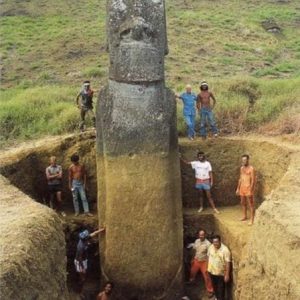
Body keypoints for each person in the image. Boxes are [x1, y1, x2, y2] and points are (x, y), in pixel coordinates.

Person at [187, 229, 214, 298]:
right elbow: (195, 250)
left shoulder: (208, 244)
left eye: (202, 235)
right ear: (198, 235)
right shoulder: (197, 241)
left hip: (204, 262)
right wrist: (193, 258)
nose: (201, 236)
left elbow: (210, 255)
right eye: (200, 235)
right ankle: (192, 281)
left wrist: (208, 264)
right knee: (192, 272)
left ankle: (210, 290)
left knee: (207, 276)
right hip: (196, 260)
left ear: (205, 235)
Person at [207, 235, 231, 300]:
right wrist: (208, 269)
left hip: (220, 274)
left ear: (220, 241)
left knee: (221, 291)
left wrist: (227, 274)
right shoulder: (211, 247)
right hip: (212, 272)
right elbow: (208, 257)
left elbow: (228, 262)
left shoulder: (225, 250)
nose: (215, 243)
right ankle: (217, 298)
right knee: (215, 288)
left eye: (217, 242)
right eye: (214, 242)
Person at [236, 154, 256, 226]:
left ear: (248, 160)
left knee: (251, 204)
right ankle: (244, 216)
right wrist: (238, 188)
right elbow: (240, 179)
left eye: (245, 160)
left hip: (248, 188)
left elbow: (253, 180)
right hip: (242, 187)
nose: (244, 161)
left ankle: (252, 219)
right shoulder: (241, 168)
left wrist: (251, 190)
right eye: (243, 160)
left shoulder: (251, 169)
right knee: (243, 202)